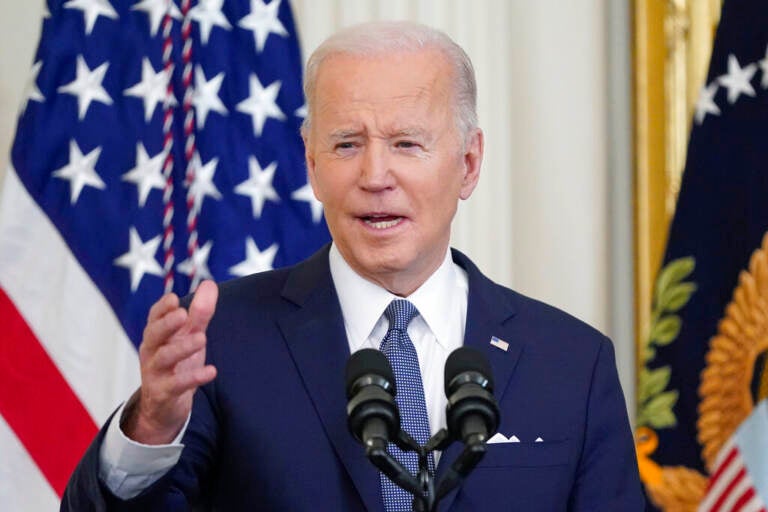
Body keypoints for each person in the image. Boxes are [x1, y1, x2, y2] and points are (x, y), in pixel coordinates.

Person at [61, 21, 644, 511]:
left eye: (407, 144)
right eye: (345, 145)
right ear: (312, 163)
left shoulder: (572, 364)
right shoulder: (222, 342)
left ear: (468, 164)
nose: (374, 176)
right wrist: (151, 430)